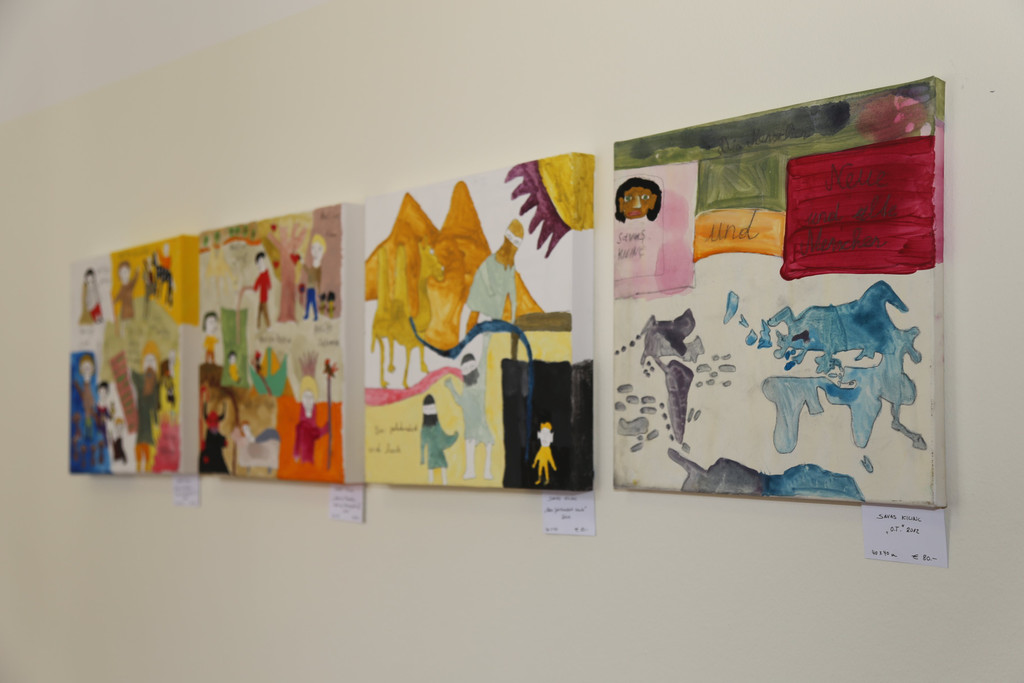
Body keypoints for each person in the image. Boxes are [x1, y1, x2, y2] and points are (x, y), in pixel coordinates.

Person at [464, 220, 523, 334]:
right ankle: (468, 335)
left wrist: (513, 312)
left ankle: (488, 338)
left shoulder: (510, 266)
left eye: (516, 242)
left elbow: (511, 288)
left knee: (495, 320)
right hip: (483, 289)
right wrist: (489, 288)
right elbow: (483, 271)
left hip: (496, 297)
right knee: (475, 313)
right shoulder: (493, 259)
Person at [444, 350, 494, 480]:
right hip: (471, 425)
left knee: (488, 445)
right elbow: (460, 401)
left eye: (471, 366)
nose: (469, 370)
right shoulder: (465, 386)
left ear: (475, 366)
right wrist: (451, 387)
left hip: (481, 423)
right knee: (470, 444)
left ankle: (487, 471)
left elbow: (483, 359)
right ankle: (470, 471)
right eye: (465, 369)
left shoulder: (480, 379)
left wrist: (486, 340)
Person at [132, 341, 161, 472]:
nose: (149, 363)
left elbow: (156, 403)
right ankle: (139, 465)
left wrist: (156, 420)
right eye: (147, 360)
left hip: (150, 420)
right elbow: (132, 374)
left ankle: (148, 465)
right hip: (139, 417)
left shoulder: (157, 383)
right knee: (139, 442)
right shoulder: (140, 379)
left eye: (152, 360)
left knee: (148, 443)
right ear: (142, 362)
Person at [420, 394, 458, 485]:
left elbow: (423, 443)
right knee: (438, 474)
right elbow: (423, 443)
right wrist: (422, 458)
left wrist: (454, 436)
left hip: (434, 454)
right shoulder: (427, 428)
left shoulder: (430, 427)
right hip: (434, 455)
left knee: (437, 475)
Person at [293, 376, 328, 464]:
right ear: (302, 398)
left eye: (311, 396)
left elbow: (317, 433)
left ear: (314, 399)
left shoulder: (314, 422)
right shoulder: (301, 427)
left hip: (310, 460)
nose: (308, 400)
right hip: (303, 461)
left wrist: (327, 427)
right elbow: (297, 440)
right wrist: (296, 453)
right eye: (306, 396)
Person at [301, 234, 326, 321]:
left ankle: (314, 315)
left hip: (312, 289)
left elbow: (318, 281)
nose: (315, 251)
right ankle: (309, 315)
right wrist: (303, 263)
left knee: (312, 303)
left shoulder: (318, 268)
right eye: (313, 248)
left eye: (319, 249)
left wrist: (319, 291)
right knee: (309, 302)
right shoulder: (313, 266)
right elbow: (309, 272)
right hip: (309, 288)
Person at [252, 252, 272, 329]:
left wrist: (255, 287)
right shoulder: (262, 275)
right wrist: (255, 288)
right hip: (262, 296)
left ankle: (267, 325)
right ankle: (260, 325)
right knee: (260, 311)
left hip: (264, 296)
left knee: (263, 311)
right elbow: (257, 285)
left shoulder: (264, 274)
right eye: (260, 262)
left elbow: (267, 283)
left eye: (262, 261)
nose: (262, 263)